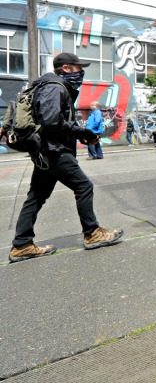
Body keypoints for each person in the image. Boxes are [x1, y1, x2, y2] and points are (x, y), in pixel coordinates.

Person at [8, 52, 123, 263]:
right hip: (54, 150)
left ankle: (22, 245)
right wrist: (82, 132)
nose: (81, 72)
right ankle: (92, 233)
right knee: (83, 186)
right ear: (67, 69)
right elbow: (52, 122)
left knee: (36, 196)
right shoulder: (55, 87)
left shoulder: (48, 86)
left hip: (45, 151)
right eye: (79, 68)